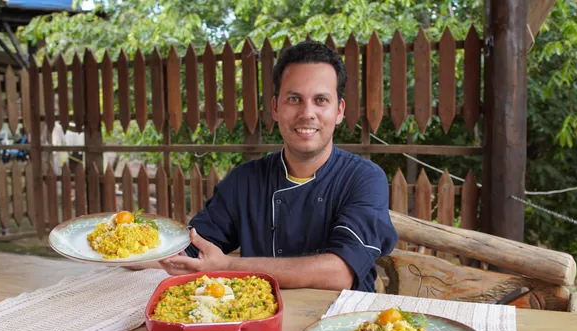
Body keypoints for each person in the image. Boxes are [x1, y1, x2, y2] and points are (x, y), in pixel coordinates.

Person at [158, 40, 398, 292]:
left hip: (344, 325)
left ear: (339, 111)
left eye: (320, 100)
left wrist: (228, 265)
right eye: (294, 99)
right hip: (258, 319)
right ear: (275, 108)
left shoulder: (363, 178)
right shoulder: (245, 180)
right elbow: (190, 251)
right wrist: (129, 248)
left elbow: (339, 273)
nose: (307, 113)